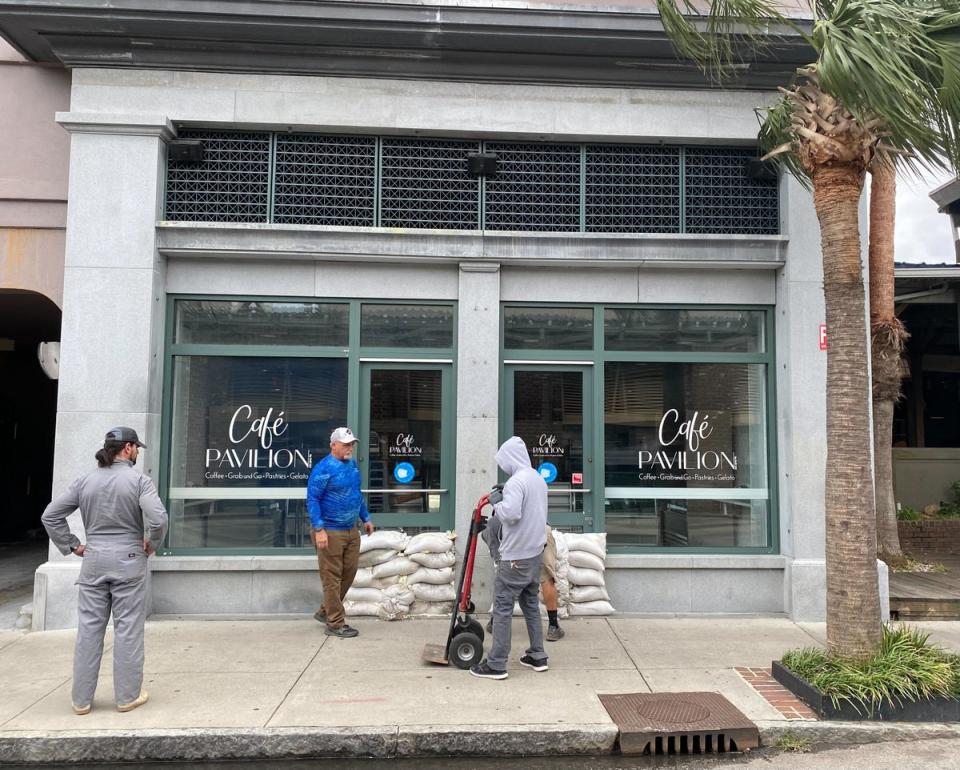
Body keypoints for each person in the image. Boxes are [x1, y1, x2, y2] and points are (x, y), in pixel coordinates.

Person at [40, 427, 168, 715]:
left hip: (94, 560)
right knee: (128, 631)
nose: (137, 453)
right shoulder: (139, 481)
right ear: (127, 448)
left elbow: (50, 515)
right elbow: (158, 519)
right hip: (129, 559)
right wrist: (152, 545)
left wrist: (73, 545)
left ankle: (81, 700)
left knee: (88, 630)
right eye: (136, 448)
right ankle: (127, 697)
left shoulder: (85, 480)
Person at [471, 436, 549, 680]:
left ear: (511, 459)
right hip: (535, 553)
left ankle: (496, 664)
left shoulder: (516, 482)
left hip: (516, 556)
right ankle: (537, 655)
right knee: (530, 606)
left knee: (503, 609)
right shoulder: (537, 478)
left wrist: (499, 501)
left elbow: (512, 514)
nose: (503, 466)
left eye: (503, 461)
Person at [306, 426, 374, 638]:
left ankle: (326, 611)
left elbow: (356, 494)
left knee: (349, 573)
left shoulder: (352, 465)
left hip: (351, 529)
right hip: (330, 531)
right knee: (332, 578)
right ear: (333, 445)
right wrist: (319, 529)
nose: (350, 447)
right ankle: (335, 623)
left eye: (352, 443)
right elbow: (312, 499)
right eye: (346, 444)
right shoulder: (323, 468)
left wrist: (366, 517)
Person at [483, 521, 565, 642]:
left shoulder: (500, 509)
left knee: (505, 577)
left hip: (515, 535)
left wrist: (498, 558)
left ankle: (495, 620)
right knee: (546, 577)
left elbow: (489, 529)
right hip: (540, 530)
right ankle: (553, 626)